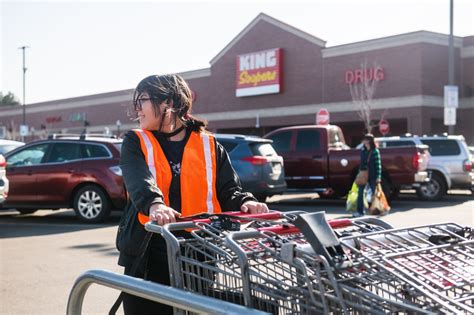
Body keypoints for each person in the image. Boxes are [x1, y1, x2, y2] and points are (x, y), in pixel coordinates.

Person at [115, 74, 269, 315]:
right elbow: (138, 180)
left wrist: (245, 201)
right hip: (148, 253)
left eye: (142, 100)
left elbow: (228, 188)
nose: (138, 109)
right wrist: (155, 205)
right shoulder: (136, 141)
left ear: (167, 103)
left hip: (198, 253)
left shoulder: (208, 145)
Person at [355, 133, 382, 217]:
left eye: (367, 140)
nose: (365, 141)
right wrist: (359, 174)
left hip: (372, 175)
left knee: (374, 193)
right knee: (360, 193)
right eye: (364, 140)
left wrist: (378, 176)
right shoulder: (363, 151)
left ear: (371, 141)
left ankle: (377, 210)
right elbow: (361, 164)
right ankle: (360, 211)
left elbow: (378, 165)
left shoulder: (375, 151)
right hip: (363, 175)